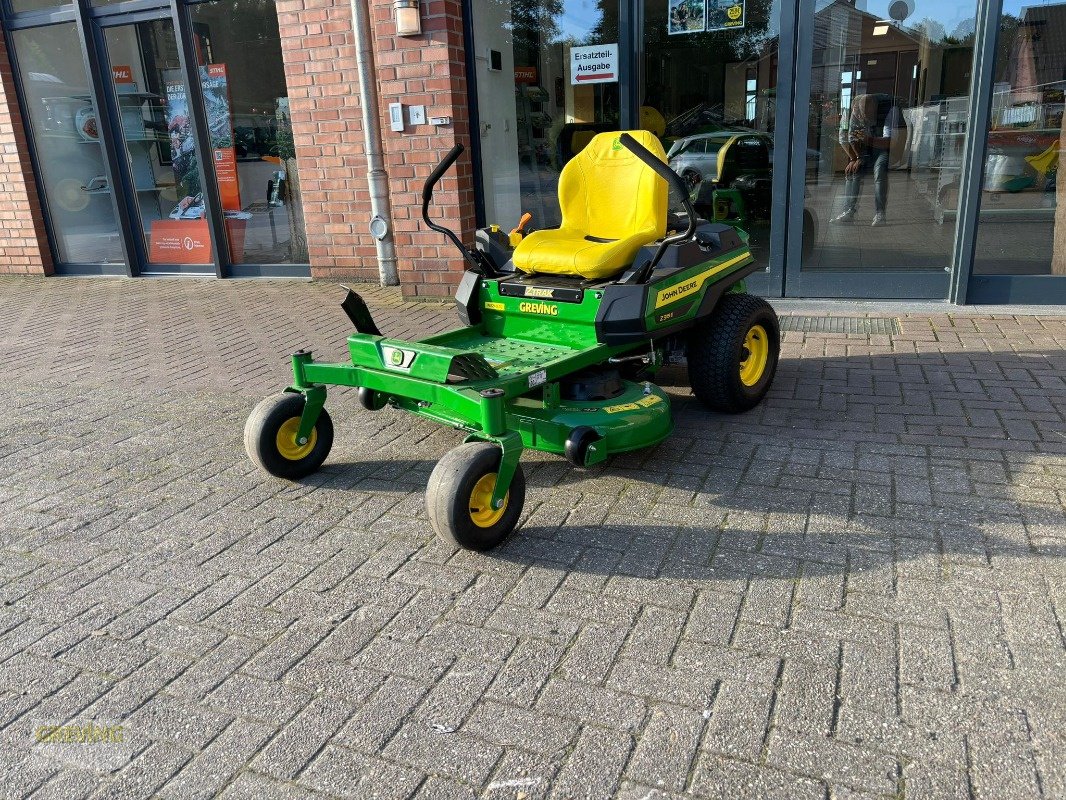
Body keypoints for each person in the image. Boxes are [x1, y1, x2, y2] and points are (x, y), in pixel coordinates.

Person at [832, 93, 901, 226]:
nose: (863, 119)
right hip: (865, 149)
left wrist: (866, 140)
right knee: (852, 170)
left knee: (880, 170)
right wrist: (855, 158)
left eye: (867, 117)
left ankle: (880, 213)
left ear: (875, 109)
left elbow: (890, 142)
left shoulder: (890, 110)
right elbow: (849, 138)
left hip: (883, 149)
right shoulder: (855, 112)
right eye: (861, 116)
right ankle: (849, 212)